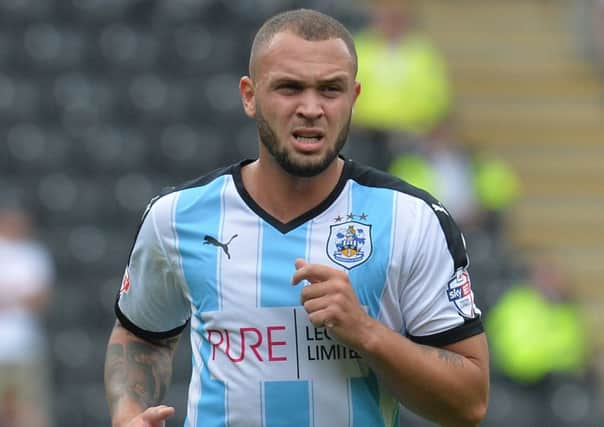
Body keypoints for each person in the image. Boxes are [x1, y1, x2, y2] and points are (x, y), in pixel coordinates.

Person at [104, 9, 489, 427]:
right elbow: (141, 336)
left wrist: (366, 331)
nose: (311, 108)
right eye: (289, 88)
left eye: (330, 90)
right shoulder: (176, 218)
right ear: (249, 96)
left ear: (354, 98)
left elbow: (469, 404)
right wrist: (128, 414)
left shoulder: (412, 220)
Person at [0, 201, 54, 427]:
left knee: (30, 409)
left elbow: (39, 298)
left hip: (25, 345)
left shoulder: (34, 254)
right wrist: (17, 295)